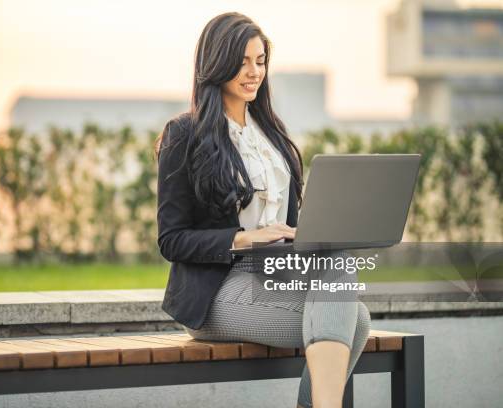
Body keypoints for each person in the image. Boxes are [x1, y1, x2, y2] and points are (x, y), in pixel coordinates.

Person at [154, 12, 371, 408]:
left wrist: (307, 234)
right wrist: (242, 238)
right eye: (242, 62)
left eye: (260, 60)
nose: (253, 72)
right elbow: (171, 239)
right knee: (354, 320)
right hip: (216, 292)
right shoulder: (184, 133)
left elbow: (284, 223)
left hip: (274, 275)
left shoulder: (271, 134)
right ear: (216, 63)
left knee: (341, 267)